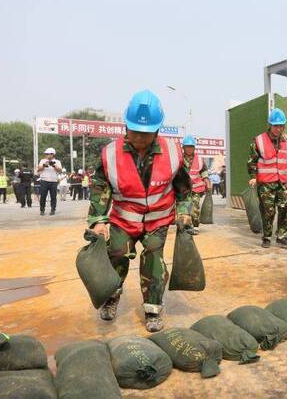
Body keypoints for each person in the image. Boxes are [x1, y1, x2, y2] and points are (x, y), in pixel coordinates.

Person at [88, 89, 192, 333]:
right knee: (116, 256)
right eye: (135, 132)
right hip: (123, 220)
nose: (140, 138)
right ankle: (112, 297)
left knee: (154, 261)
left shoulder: (174, 152)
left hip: (158, 219)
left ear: (157, 130)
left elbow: (184, 188)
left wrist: (185, 210)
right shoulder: (110, 154)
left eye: (146, 134)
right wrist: (98, 220)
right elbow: (100, 187)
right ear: (126, 126)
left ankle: (153, 308)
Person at [247, 108, 287, 249]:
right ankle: (267, 237)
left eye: (281, 126)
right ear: (270, 125)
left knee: (286, 208)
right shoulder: (258, 141)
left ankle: (282, 236)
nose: (279, 129)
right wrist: (252, 176)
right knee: (267, 210)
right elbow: (252, 161)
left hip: (283, 182)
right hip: (266, 183)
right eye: (276, 126)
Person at [181, 135, 210, 234]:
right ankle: (187, 226)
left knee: (194, 207)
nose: (189, 149)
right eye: (187, 147)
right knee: (185, 208)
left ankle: (196, 225)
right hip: (183, 189)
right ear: (183, 148)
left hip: (196, 189)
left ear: (194, 148)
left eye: (191, 147)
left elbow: (204, 171)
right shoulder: (179, 158)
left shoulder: (199, 159)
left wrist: (206, 180)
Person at [37, 148, 62, 215]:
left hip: (53, 181)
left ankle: (53, 210)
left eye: (48, 154)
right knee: (43, 196)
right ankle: (42, 210)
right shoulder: (42, 160)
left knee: (53, 196)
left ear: (53, 154)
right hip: (44, 180)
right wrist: (44, 165)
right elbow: (39, 169)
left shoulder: (57, 161)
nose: (47, 155)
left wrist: (53, 165)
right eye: (46, 154)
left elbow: (59, 170)